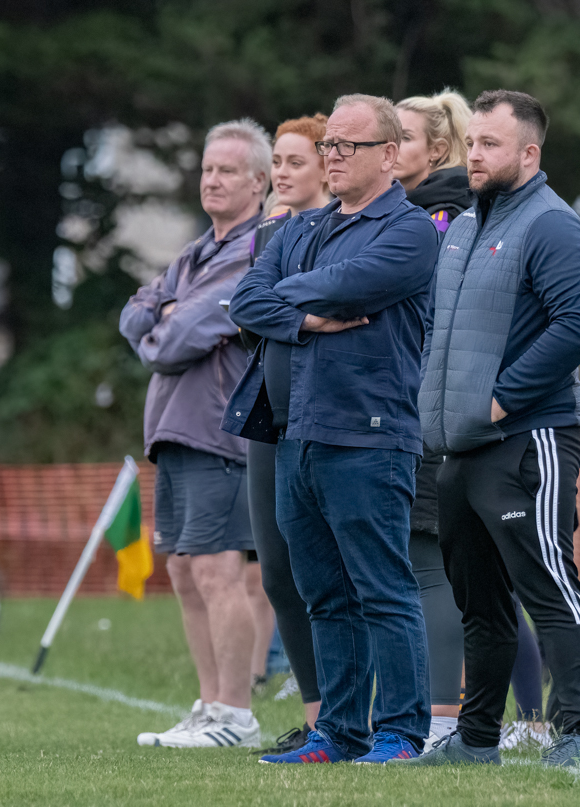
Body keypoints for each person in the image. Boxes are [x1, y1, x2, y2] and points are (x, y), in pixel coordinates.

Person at [393, 90, 580, 768]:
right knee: (478, 601)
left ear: (528, 152)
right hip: (460, 446)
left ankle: (579, 733)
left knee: (548, 583)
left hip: (529, 436)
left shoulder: (552, 224)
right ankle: (477, 737)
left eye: (490, 144)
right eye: (474, 141)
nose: (475, 153)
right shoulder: (461, 226)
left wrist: (499, 401)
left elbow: (577, 325)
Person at [223, 94, 439, 764]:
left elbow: (351, 282)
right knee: (323, 593)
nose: (333, 156)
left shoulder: (408, 232)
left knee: (382, 586)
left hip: (369, 436)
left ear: (389, 154)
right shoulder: (299, 229)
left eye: (347, 146)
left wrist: (290, 296)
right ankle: (339, 731)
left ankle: (401, 732)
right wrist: (308, 316)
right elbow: (248, 299)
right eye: (330, 146)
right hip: (298, 434)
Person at [395, 89, 549, 751]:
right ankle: (512, 716)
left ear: (437, 148)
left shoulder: (450, 215)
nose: (384, 146)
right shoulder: (427, 214)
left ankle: (508, 716)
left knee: (488, 575)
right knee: (479, 579)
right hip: (433, 415)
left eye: (397, 136)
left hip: (475, 423)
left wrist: (487, 400)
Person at [120, 118, 272, 749]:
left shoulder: (258, 247)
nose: (212, 179)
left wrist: (169, 319)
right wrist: (165, 315)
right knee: (183, 570)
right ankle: (209, 706)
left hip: (218, 431)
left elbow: (172, 340)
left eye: (227, 170)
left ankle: (236, 712)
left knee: (217, 570)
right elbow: (135, 313)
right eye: (208, 169)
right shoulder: (193, 252)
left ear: (259, 182)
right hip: (172, 431)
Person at [244, 113, 330, 752]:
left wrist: (283, 307)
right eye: (276, 160)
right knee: (278, 572)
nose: (280, 173)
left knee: (338, 573)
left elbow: (289, 303)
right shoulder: (272, 231)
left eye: (294, 161)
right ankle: (319, 716)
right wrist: (294, 311)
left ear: (331, 163)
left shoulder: (351, 230)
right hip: (270, 419)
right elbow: (248, 309)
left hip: (337, 418)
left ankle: (365, 713)